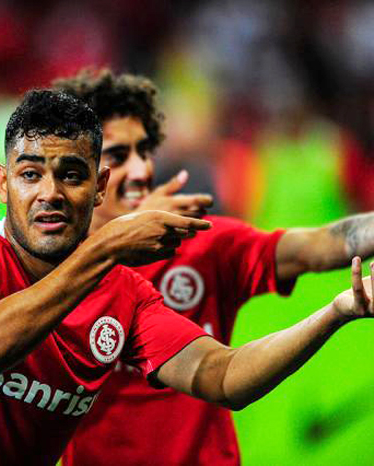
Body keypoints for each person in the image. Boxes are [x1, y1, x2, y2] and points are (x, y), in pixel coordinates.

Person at [0, 89, 374, 465]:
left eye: (71, 175)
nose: (49, 192)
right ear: (3, 184)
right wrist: (106, 247)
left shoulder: (127, 294)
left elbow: (223, 376)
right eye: (30, 175)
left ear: (97, 187)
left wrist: (337, 312)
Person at [54, 69, 374, 465]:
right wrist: (116, 242)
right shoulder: (49, 273)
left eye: (145, 151)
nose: (141, 171)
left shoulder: (203, 244)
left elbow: (322, 245)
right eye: (119, 157)